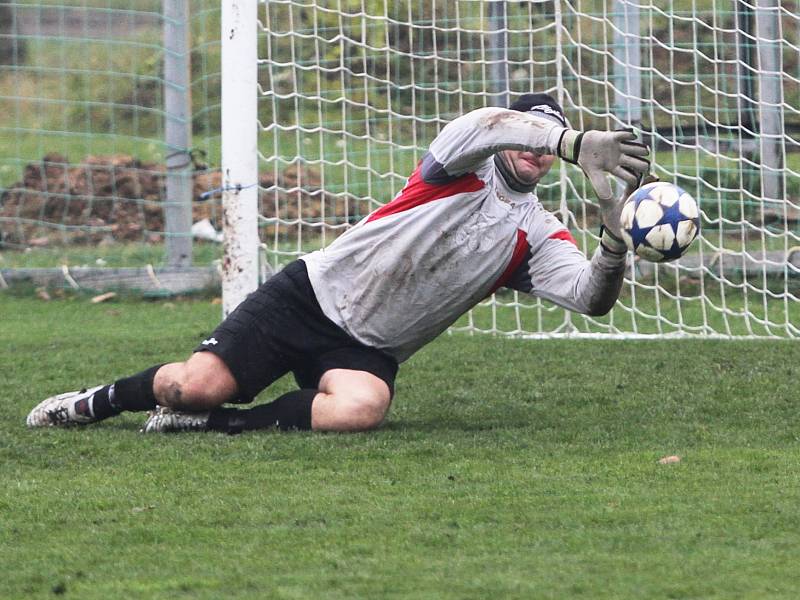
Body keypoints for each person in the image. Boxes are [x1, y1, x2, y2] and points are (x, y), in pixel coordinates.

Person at [26, 93, 649, 434]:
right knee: (192, 386)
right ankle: (95, 402)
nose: (533, 150)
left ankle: (216, 428)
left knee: (361, 409)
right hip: (309, 296)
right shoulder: (459, 162)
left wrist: (615, 238)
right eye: (531, 135)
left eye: (547, 143)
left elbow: (589, 297)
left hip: (368, 347)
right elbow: (485, 124)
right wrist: (572, 140)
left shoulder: (539, 232)